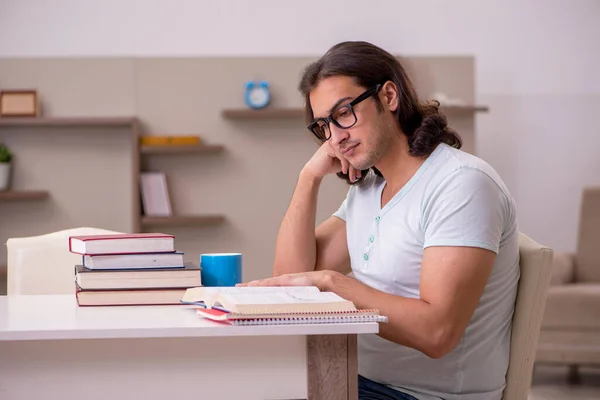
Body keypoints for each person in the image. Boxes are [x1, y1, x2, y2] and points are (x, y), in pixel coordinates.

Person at [242, 41, 520, 400]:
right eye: (323, 125)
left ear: (389, 96)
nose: (336, 137)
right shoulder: (370, 187)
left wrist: (333, 284)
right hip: (356, 378)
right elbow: (290, 276)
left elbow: (437, 334)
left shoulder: (461, 184)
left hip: (423, 394)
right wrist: (307, 178)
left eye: (343, 113)